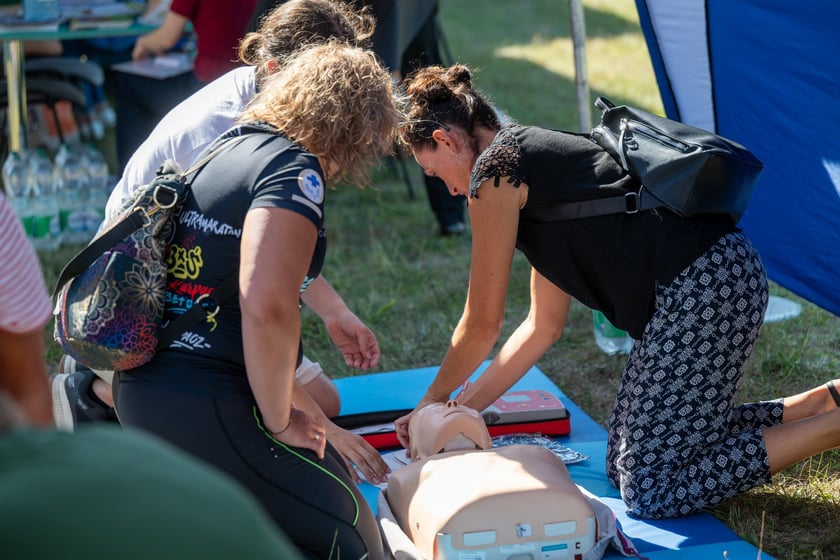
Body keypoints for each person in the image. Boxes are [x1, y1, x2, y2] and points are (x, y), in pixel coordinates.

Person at [393, 63, 840, 520]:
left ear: (446, 139)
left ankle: (833, 427)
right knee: (623, 461)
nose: (448, 189)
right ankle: (823, 402)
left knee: (651, 488)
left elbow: (481, 326)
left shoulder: (495, 173)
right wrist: (454, 414)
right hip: (711, 281)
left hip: (705, 287)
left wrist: (429, 404)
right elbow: (541, 328)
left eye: (435, 172)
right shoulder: (530, 167)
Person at [52, 0, 391, 485]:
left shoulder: (267, 108)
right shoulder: (231, 128)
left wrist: (333, 311)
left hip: (194, 274)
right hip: (134, 291)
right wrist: (306, 424)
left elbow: (268, 253)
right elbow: (257, 298)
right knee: (288, 412)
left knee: (327, 402)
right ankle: (99, 390)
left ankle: (118, 382)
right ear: (276, 70)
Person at [113, 41, 400, 558]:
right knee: (353, 534)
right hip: (203, 400)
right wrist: (282, 419)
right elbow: (265, 305)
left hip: (148, 387)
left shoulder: (232, 145)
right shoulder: (294, 170)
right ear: (355, 125)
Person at [0, 190, 300, 559]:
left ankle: (93, 386)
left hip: (120, 331)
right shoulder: (173, 489)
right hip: (129, 332)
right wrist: (284, 421)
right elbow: (268, 308)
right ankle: (96, 388)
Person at [110, 0, 257, 170]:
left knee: (126, 85)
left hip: (210, 85)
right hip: (250, 81)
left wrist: (143, 43)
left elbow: (166, 39)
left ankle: (130, 175)